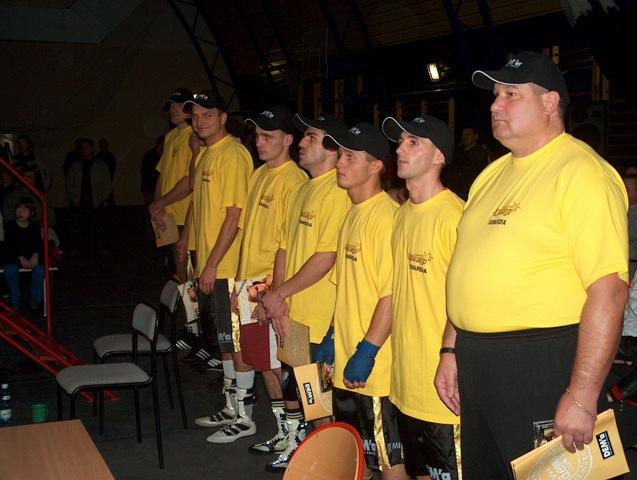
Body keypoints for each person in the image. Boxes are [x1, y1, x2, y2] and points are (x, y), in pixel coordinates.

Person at [435, 51, 628, 479]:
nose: (494, 105)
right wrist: (451, 349)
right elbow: (468, 272)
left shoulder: (581, 172)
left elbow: (609, 290)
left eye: (510, 94)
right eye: (495, 95)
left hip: (542, 361)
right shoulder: (490, 175)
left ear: (549, 102)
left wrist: (582, 395)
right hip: (477, 360)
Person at [206, 106, 307, 445]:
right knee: (262, 361)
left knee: (279, 363)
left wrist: (272, 294)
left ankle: (293, 434)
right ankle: (280, 432)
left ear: (288, 139)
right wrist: (239, 284)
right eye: (258, 136)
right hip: (248, 283)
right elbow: (246, 233)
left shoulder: (294, 181)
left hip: (268, 284)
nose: (260, 142)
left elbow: (287, 247)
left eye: (268, 136)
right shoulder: (260, 174)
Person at [261, 114, 350, 472]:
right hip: (293, 317)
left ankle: (333, 469)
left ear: (332, 148)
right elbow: (284, 247)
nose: (301, 142)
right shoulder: (302, 189)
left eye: (311, 137)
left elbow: (326, 258)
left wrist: (280, 294)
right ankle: (316, 462)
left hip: (318, 320)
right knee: (305, 398)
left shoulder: (337, 192)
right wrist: (278, 298)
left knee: (322, 404)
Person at [317, 123, 406, 479]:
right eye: (339, 155)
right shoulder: (352, 213)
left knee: (388, 461)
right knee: (357, 458)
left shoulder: (386, 218)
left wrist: (367, 350)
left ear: (376, 166)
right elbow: (346, 289)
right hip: (346, 361)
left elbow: (392, 294)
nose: (340, 162)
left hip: (376, 370)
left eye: (350, 157)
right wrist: (333, 336)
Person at [381, 115, 463, 480]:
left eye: (413, 142)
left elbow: (467, 301)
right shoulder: (402, 215)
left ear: (438, 157)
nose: (400, 149)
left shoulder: (455, 216)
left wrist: (450, 355)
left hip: (440, 387)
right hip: (405, 382)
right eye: (400, 142)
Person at [178, 91, 253, 442]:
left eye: (208, 114)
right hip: (211, 265)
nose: (200, 121)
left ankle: (245, 416)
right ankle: (230, 405)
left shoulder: (233, 155)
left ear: (224, 118)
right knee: (224, 341)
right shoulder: (208, 153)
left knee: (236, 341)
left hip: (228, 267)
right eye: (195, 116)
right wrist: (196, 257)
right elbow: (203, 210)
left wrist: (211, 264)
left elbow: (234, 217)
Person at [149, 88, 194, 281]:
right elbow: (162, 174)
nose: (173, 109)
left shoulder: (195, 138)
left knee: (185, 270)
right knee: (173, 270)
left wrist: (159, 204)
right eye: (171, 105)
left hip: (185, 216)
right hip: (167, 214)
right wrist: (157, 207)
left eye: (180, 105)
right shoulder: (170, 136)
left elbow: (189, 182)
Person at [65, 138, 112, 255]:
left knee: (99, 226)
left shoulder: (101, 165)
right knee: (79, 226)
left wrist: (103, 198)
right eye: (83, 147)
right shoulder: (75, 165)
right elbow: (69, 182)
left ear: (92, 149)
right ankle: (79, 248)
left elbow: (107, 183)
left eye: (87, 146)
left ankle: (100, 248)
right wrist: (72, 198)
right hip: (79, 201)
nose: (85, 149)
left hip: (96, 200)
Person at [2, 197, 43, 310]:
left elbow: (38, 243)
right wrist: (20, 258)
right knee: (10, 270)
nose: (20, 212)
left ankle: (35, 298)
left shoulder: (35, 226)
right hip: (14, 257)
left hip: (31, 256)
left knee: (40, 270)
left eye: (25, 209)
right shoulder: (9, 226)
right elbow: (9, 246)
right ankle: (15, 297)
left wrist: (35, 255)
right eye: (19, 208)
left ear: (31, 213)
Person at [441, 126, 488, 200]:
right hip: (450, 192)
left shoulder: (479, 154)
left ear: (475, 136)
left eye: (468, 134)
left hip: (465, 195)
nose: (464, 137)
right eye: (463, 135)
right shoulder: (457, 151)